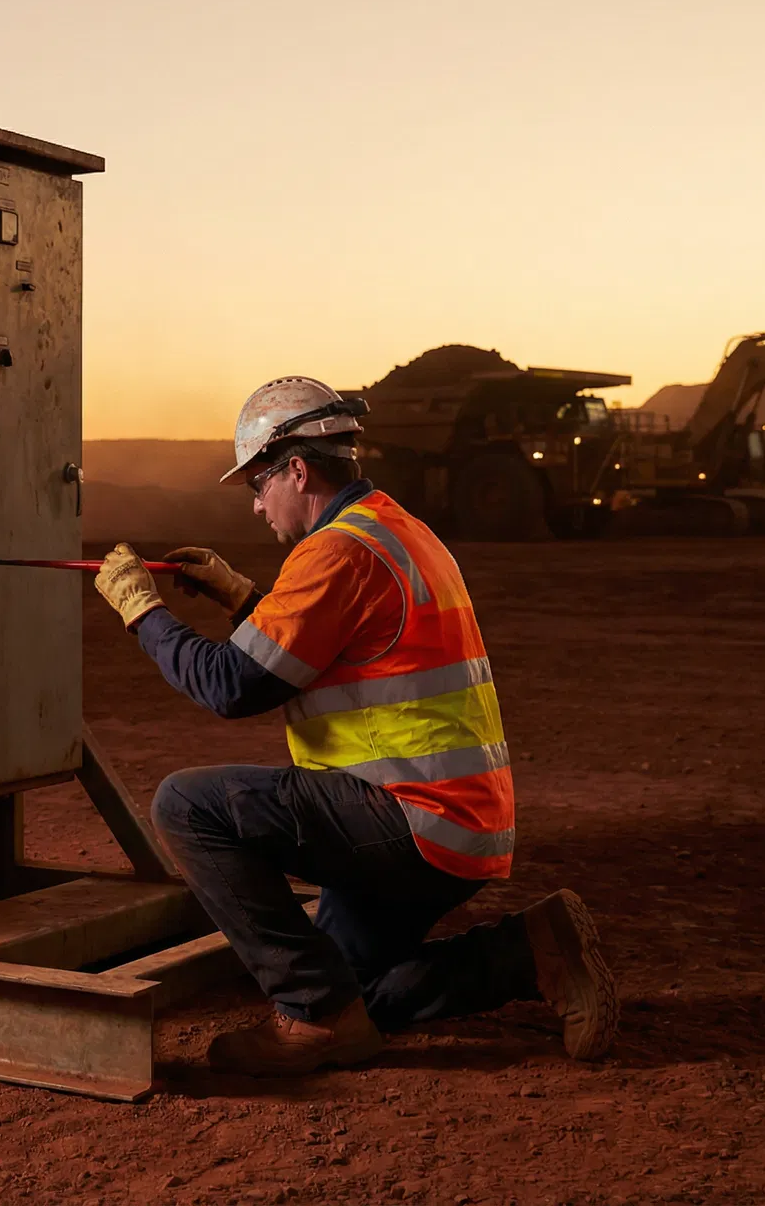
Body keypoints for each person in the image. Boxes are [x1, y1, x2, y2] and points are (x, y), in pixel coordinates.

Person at [92, 376, 618, 1076]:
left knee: (187, 805)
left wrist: (143, 612)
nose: (256, 504)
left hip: (407, 818)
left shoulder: (335, 553)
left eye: (258, 484)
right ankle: (530, 950)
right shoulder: (394, 529)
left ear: (297, 470)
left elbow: (231, 685)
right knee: (359, 994)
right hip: (460, 820)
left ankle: (310, 1017)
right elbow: (327, 647)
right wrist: (240, 596)